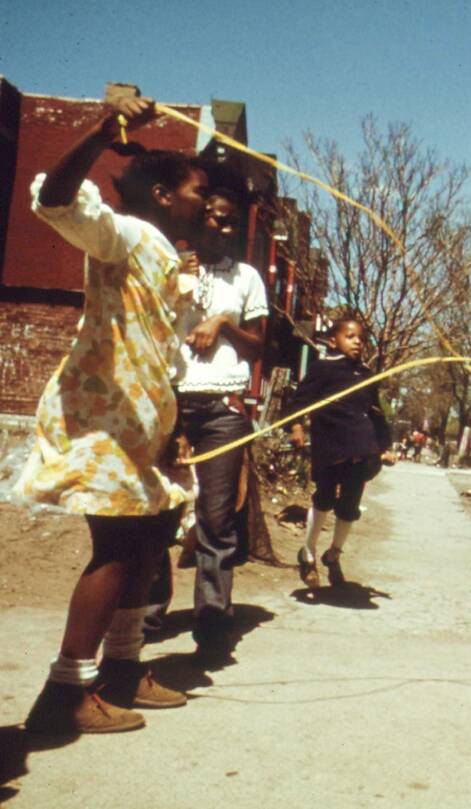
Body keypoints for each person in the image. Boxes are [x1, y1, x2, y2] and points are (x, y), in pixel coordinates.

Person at [20, 96, 206, 734]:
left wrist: (174, 425)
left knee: (151, 538)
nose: (205, 203)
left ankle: (122, 669)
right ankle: (66, 690)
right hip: (104, 418)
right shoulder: (121, 234)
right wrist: (102, 131)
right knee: (119, 547)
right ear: (160, 192)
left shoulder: (163, 253)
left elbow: (165, 355)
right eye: (196, 190)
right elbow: (56, 201)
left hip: (146, 424)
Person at [171, 179, 268, 659]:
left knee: (215, 516)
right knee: (157, 510)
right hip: (169, 399)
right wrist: (174, 279)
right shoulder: (171, 266)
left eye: (232, 219)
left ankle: (212, 623)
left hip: (223, 407)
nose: (224, 226)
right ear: (197, 216)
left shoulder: (247, 277)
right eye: (215, 215)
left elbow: (258, 347)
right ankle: (144, 617)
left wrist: (225, 323)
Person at [287, 318, 394, 588]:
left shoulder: (367, 375)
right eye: (350, 336)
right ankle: (308, 553)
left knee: (349, 504)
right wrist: (296, 426)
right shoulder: (323, 369)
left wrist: (385, 447)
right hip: (330, 444)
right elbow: (299, 401)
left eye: (361, 338)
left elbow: (376, 413)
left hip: (359, 447)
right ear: (333, 341)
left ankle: (333, 554)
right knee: (324, 497)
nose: (357, 341)